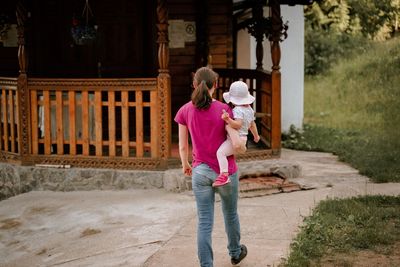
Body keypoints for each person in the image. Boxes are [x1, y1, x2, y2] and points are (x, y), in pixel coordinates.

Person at [174, 67, 247, 267]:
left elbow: (182, 145)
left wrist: (185, 164)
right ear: (215, 86)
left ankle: (206, 265)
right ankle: (235, 252)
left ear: (194, 85)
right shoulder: (225, 110)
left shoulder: (185, 110)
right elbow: (234, 140)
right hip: (225, 172)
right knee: (230, 214)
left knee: (204, 222)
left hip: (200, 171)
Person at [213, 81, 260, 187]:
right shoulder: (250, 110)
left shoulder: (238, 110)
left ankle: (224, 175)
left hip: (235, 139)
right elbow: (252, 125)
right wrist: (256, 136)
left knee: (220, 153)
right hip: (244, 138)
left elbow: (237, 125)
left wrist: (228, 119)